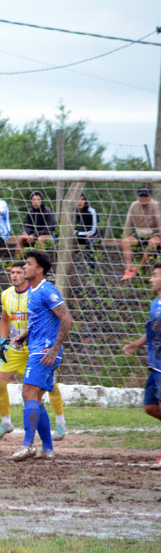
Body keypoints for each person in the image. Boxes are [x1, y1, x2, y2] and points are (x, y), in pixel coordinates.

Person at [9, 249, 73, 461]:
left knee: (28, 393)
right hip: (38, 347)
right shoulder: (34, 291)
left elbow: (66, 319)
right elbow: (41, 321)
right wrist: (24, 335)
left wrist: (55, 349)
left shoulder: (47, 290)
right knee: (36, 398)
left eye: (28, 264)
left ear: (40, 269)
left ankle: (28, 445)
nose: (24, 267)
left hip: (44, 351)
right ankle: (47, 448)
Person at [0, 261, 67, 442]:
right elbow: (4, 319)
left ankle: (60, 423)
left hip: (35, 347)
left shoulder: (36, 293)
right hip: (15, 347)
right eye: (12, 272)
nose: (15, 275)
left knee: (48, 385)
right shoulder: (6, 295)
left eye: (19, 272)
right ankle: (6, 422)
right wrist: (3, 342)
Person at [122, 263, 161, 469]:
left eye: (155, 275)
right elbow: (154, 331)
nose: (150, 279)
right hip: (155, 363)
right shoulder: (156, 304)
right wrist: (137, 344)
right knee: (151, 407)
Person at [121, 185, 161, 281]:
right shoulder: (134, 205)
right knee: (125, 242)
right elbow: (128, 225)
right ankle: (129, 269)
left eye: (145, 195)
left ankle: (139, 267)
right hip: (139, 234)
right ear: (137, 196)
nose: (143, 198)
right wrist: (124, 236)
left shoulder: (155, 205)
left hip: (154, 234)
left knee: (153, 243)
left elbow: (160, 223)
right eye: (141, 196)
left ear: (150, 196)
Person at [15, 191, 56, 257]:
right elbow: (28, 227)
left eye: (38, 199)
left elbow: (48, 229)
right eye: (34, 199)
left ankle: (41, 262)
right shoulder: (29, 213)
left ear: (41, 201)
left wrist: (34, 235)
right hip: (33, 236)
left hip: (48, 236)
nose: (36, 201)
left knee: (40, 239)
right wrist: (26, 233)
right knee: (20, 238)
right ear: (31, 201)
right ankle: (19, 261)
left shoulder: (48, 212)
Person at [75, 193, 100, 267]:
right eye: (77, 199)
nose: (80, 202)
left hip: (92, 236)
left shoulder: (91, 211)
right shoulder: (71, 211)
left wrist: (77, 233)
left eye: (82, 199)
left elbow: (93, 231)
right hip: (78, 236)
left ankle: (91, 269)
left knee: (90, 242)